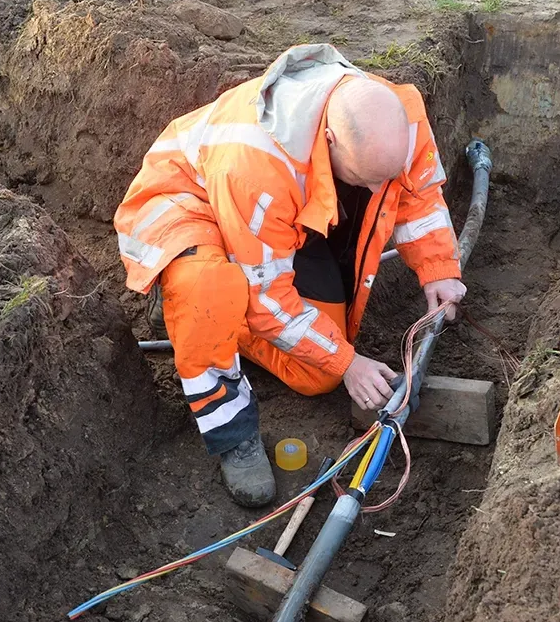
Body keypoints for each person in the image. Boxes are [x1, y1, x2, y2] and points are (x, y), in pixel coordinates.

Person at [113, 44, 466, 507]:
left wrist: (437, 268)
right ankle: (229, 428)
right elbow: (265, 293)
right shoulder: (256, 164)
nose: (381, 192)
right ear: (332, 140)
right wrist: (348, 362)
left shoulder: (394, 113)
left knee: (313, 374)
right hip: (185, 206)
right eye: (367, 179)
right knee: (211, 291)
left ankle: (221, 323)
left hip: (271, 225)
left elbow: (417, 192)